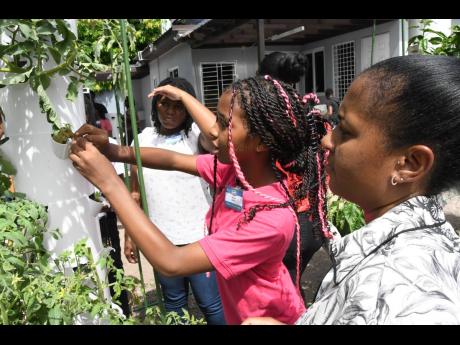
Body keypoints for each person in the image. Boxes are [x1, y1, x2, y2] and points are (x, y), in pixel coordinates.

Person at [69, 75, 330, 324]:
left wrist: (110, 183)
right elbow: (172, 160)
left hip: (270, 318)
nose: (213, 133)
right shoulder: (235, 173)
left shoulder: (271, 218)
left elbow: (172, 262)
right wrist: (114, 151)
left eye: (223, 124)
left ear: (261, 141)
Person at [242, 55, 460, 325]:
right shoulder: (424, 239)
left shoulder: (400, 293)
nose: (326, 140)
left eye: (344, 130)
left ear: (409, 164)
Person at [124, 77, 225, 325]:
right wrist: (130, 235)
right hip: (161, 239)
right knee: (174, 304)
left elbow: (217, 135)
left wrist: (186, 97)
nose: (170, 111)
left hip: (200, 239)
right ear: (155, 105)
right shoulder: (142, 139)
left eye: (177, 105)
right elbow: (135, 192)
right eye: (164, 103)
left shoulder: (196, 138)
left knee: (210, 303)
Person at [257, 51, 324, 299]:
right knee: (290, 287)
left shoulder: (269, 121)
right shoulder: (307, 113)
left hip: (286, 223)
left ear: (264, 80)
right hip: (309, 219)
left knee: (280, 293)